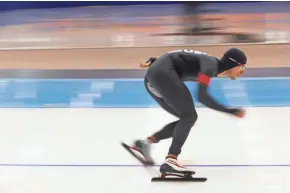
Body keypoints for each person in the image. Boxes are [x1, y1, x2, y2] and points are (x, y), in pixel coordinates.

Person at [130, 48, 247, 175]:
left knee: (186, 119)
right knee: (189, 117)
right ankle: (171, 160)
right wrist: (230, 111)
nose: (242, 72)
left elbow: (181, 56)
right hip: (161, 75)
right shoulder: (210, 67)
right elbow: (202, 97)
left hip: (152, 79)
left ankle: (144, 144)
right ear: (233, 64)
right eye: (242, 68)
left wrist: (155, 60)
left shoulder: (210, 65)